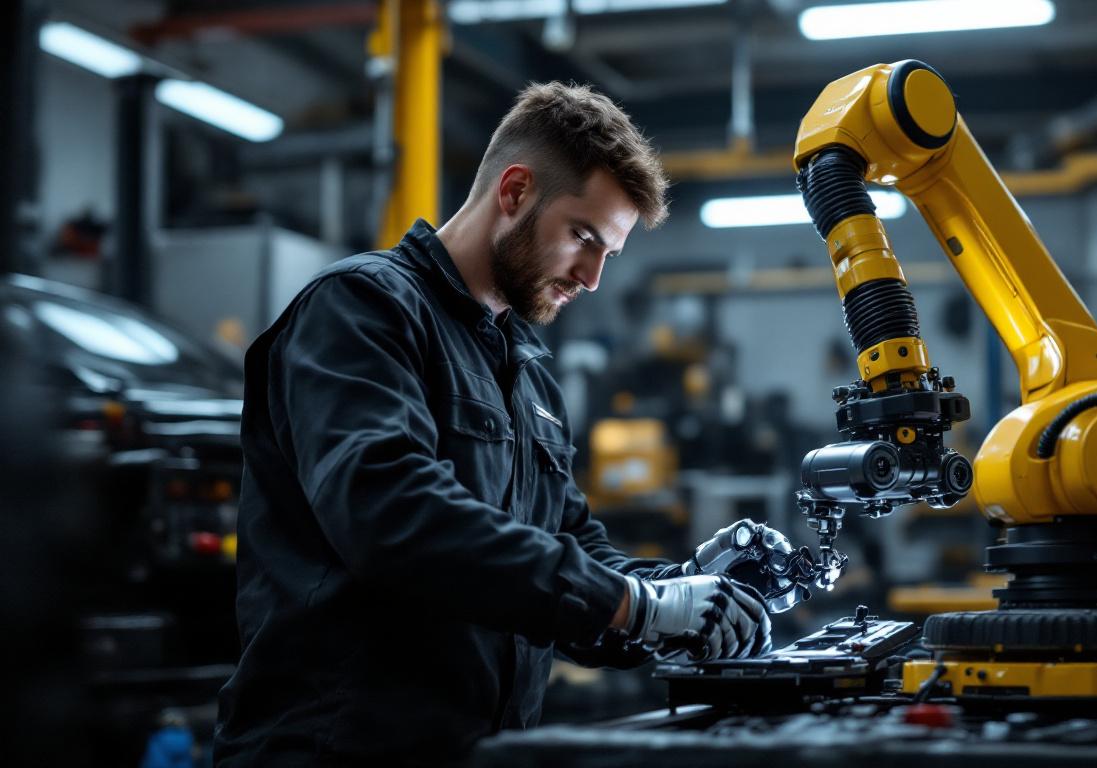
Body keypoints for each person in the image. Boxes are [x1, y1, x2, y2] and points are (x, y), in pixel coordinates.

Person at [213, 83, 790, 766]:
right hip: (335, 748)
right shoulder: (363, 310)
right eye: (583, 237)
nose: (593, 277)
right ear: (514, 192)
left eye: (609, 252)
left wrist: (683, 595)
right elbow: (390, 514)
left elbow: (567, 542)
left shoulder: (527, 364)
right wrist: (633, 602)